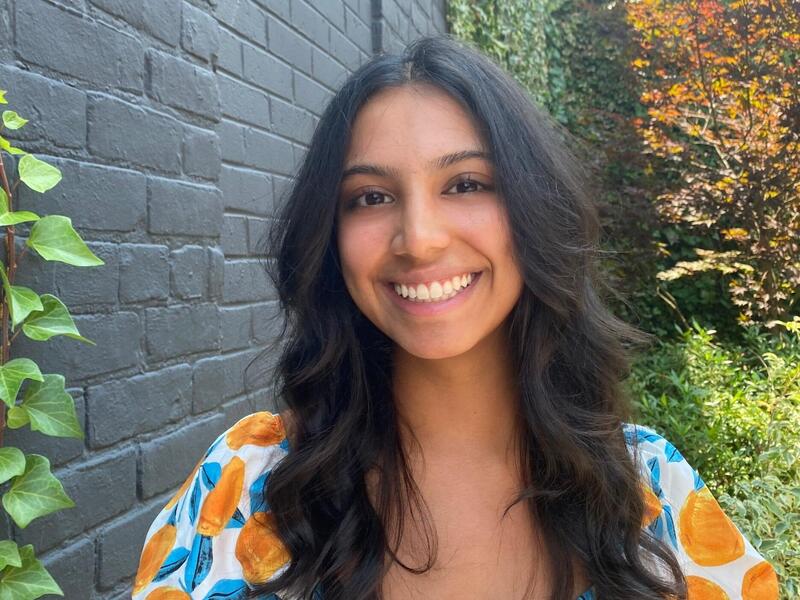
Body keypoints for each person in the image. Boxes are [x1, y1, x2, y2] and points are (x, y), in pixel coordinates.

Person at [132, 35, 778, 600]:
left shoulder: (651, 494)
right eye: (372, 197)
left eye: (466, 183)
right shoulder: (245, 484)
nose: (419, 238)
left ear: (534, 206)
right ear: (329, 235)